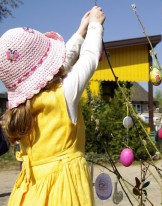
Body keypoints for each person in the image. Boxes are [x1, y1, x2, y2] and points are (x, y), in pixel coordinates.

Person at [0, 5, 105, 206]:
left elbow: (63, 63)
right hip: (65, 193)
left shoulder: (23, 108)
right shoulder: (64, 94)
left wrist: (81, 30)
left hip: (30, 193)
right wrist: (94, 26)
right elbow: (89, 58)